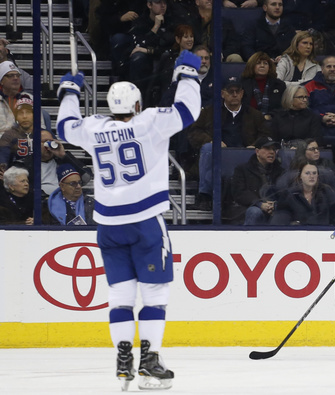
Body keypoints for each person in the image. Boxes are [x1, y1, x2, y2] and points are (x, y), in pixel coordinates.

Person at [55, 50, 201, 390]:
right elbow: (187, 110)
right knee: (154, 294)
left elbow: (64, 126)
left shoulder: (93, 128)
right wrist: (187, 73)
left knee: (120, 295)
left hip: (108, 224)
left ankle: (123, 358)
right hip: (145, 220)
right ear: (136, 106)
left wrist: (69, 93)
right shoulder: (148, 122)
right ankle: (150, 360)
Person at [188, 75, 270, 210]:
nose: (235, 94)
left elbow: (266, 135)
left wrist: (255, 145)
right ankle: (205, 196)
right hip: (217, 158)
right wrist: (212, 141)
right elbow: (193, 132)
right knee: (209, 148)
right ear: (222, 93)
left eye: (238, 91)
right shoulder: (210, 112)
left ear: (242, 93)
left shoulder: (254, 115)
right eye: (230, 91)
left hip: (244, 157)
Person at [229, 136, 284, 225]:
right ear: (257, 151)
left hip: (274, 207)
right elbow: (239, 193)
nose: (271, 152)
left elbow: (285, 191)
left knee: (283, 214)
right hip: (249, 207)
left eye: (274, 149)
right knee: (255, 212)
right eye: (267, 148)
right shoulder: (242, 169)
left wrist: (275, 204)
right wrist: (260, 204)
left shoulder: (280, 171)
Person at [128, 0, 175, 103]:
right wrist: (156, 26)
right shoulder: (140, 21)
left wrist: (149, 50)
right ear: (149, 5)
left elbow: (172, 47)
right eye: (158, 2)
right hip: (146, 62)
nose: (163, 6)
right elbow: (138, 45)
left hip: (165, 59)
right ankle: (137, 101)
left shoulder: (171, 22)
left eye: (165, 3)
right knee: (137, 58)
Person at [271, 160, 335, 225]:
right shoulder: (289, 195)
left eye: (314, 173)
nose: (311, 176)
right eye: (307, 173)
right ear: (300, 176)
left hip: (323, 233)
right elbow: (280, 220)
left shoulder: (326, 191)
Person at [241, 51, 286, 122]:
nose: (262, 65)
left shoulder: (279, 85)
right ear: (252, 66)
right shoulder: (242, 84)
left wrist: (269, 116)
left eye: (265, 63)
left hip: (273, 122)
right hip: (248, 121)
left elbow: (281, 108)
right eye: (258, 63)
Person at [0, 94, 35, 170]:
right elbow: (3, 161)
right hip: (17, 175)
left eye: (28, 112)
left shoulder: (45, 134)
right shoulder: (9, 136)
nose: (24, 116)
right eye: (20, 113)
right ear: (16, 117)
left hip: (41, 174)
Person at [0, 61, 29, 135]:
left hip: (27, 142)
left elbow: (40, 127)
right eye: (10, 76)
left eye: (18, 75)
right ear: (1, 81)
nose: (15, 78)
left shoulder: (29, 99)